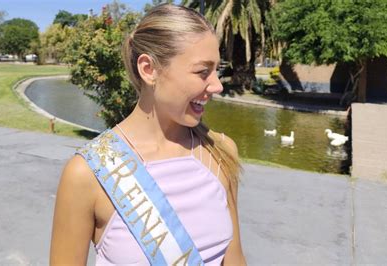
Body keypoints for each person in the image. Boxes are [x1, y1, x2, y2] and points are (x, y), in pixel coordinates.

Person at [50, 4, 246, 265]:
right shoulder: (87, 173)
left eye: (217, 70)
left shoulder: (220, 150)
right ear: (149, 69)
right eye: (202, 72)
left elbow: (234, 259)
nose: (218, 85)